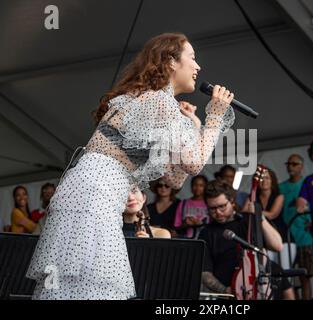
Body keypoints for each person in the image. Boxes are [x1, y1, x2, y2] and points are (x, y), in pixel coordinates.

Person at [26, 33, 235, 300]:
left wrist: (195, 126)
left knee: (77, 282)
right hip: (96, 194)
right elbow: (195, 164)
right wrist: (215, 117)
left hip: (91, 191)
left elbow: (175, 178)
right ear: (171, 61)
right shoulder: (158, 101)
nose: (198, 67)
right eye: (192, 58)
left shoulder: (147, 99)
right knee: (93, 284)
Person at [198, 180, 294, 299]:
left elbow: (277, 245)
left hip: (259, 286)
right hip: (229, 293)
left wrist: (260, 217)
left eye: (222, 206)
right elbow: (204, 272)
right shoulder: (206, 233)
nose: (217, 212)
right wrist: (225, 290)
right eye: (212, 208)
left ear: (232, 201)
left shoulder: (247, 221)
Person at [279, 154, 313, 300]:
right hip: (286, 239)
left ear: (301, 166)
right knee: (287, 278)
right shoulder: (281, 187)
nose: (290, 166)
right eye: (288, 164)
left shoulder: (308, 184)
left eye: (294, 164)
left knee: (305, 276)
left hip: (305, 238)